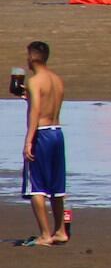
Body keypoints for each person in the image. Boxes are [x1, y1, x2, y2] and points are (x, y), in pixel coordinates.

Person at [15, 40, 67, 245]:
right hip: (57, 132)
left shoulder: (34, 81)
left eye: (28, 55)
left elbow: (36, 110)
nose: (27, 60)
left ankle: (45, 235)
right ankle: (60, 230)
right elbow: (46, 104)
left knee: (36, 186)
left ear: (33, 57)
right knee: (56, 186)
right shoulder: (57, 79)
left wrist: (29, 140)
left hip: (42, 134)